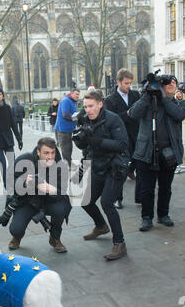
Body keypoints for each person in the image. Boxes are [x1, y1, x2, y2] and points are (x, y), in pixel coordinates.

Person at [73, 89, 130, 261]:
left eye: (91, 106)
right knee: (85, 200)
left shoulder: (113, 119)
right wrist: (81, 141)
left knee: (106, 202)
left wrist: (97, 141)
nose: (88, 110)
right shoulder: (85, 118)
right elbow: (85, 146)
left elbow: (122, 145)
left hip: (115, 166)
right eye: (85, 106)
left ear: (100, 104)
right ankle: (100, 226)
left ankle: (119, 243)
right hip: (97, 165)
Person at [129, 75, 185, 232]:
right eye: (167, 82)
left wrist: (163, 98)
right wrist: (147, 96)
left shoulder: (178, 103)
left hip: (168, 154)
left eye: (174, 82)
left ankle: (163, 215)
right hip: (146, 152)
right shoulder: (148, 102)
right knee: (147, 188)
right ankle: (146, 218)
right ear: (161, 86)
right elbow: (133, 114)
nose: (172, 84)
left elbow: (180, 115)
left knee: (165, 187)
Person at [8, 137, 71, 253]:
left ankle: (55, 238)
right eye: (46, 153)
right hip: (27, 200)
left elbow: (62, 192)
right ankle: (17, 237)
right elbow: (10, 182)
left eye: (53, 153)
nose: (50, 157)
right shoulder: (25, 159)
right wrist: (24, 183)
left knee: (61, 208)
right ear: (38, 152)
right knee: (16, 229)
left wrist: (52, 191)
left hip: (49, 201)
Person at [104, 68, 140, 208]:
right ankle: (117, 198)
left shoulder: (135, 95)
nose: (128, 86)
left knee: (139, 163)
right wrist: (129, 113)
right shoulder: (110, 99)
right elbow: (113, 119)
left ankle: (139, 195)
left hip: (136, 135)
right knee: (119, 169)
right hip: (121, 139)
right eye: (126, 83)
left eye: (130, 83)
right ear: (118, 82)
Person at [55, 88, 80, 169]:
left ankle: (69, 163)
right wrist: (76, 118)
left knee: (69, 147)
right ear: (71, 94)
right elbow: (65, 114)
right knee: (66, 148)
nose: (78, 96)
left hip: (68, 129)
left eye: (78, 94)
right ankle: (68, 165)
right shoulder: (66, 101)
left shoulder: (72, 102)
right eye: (76, 94)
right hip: (63, 129)